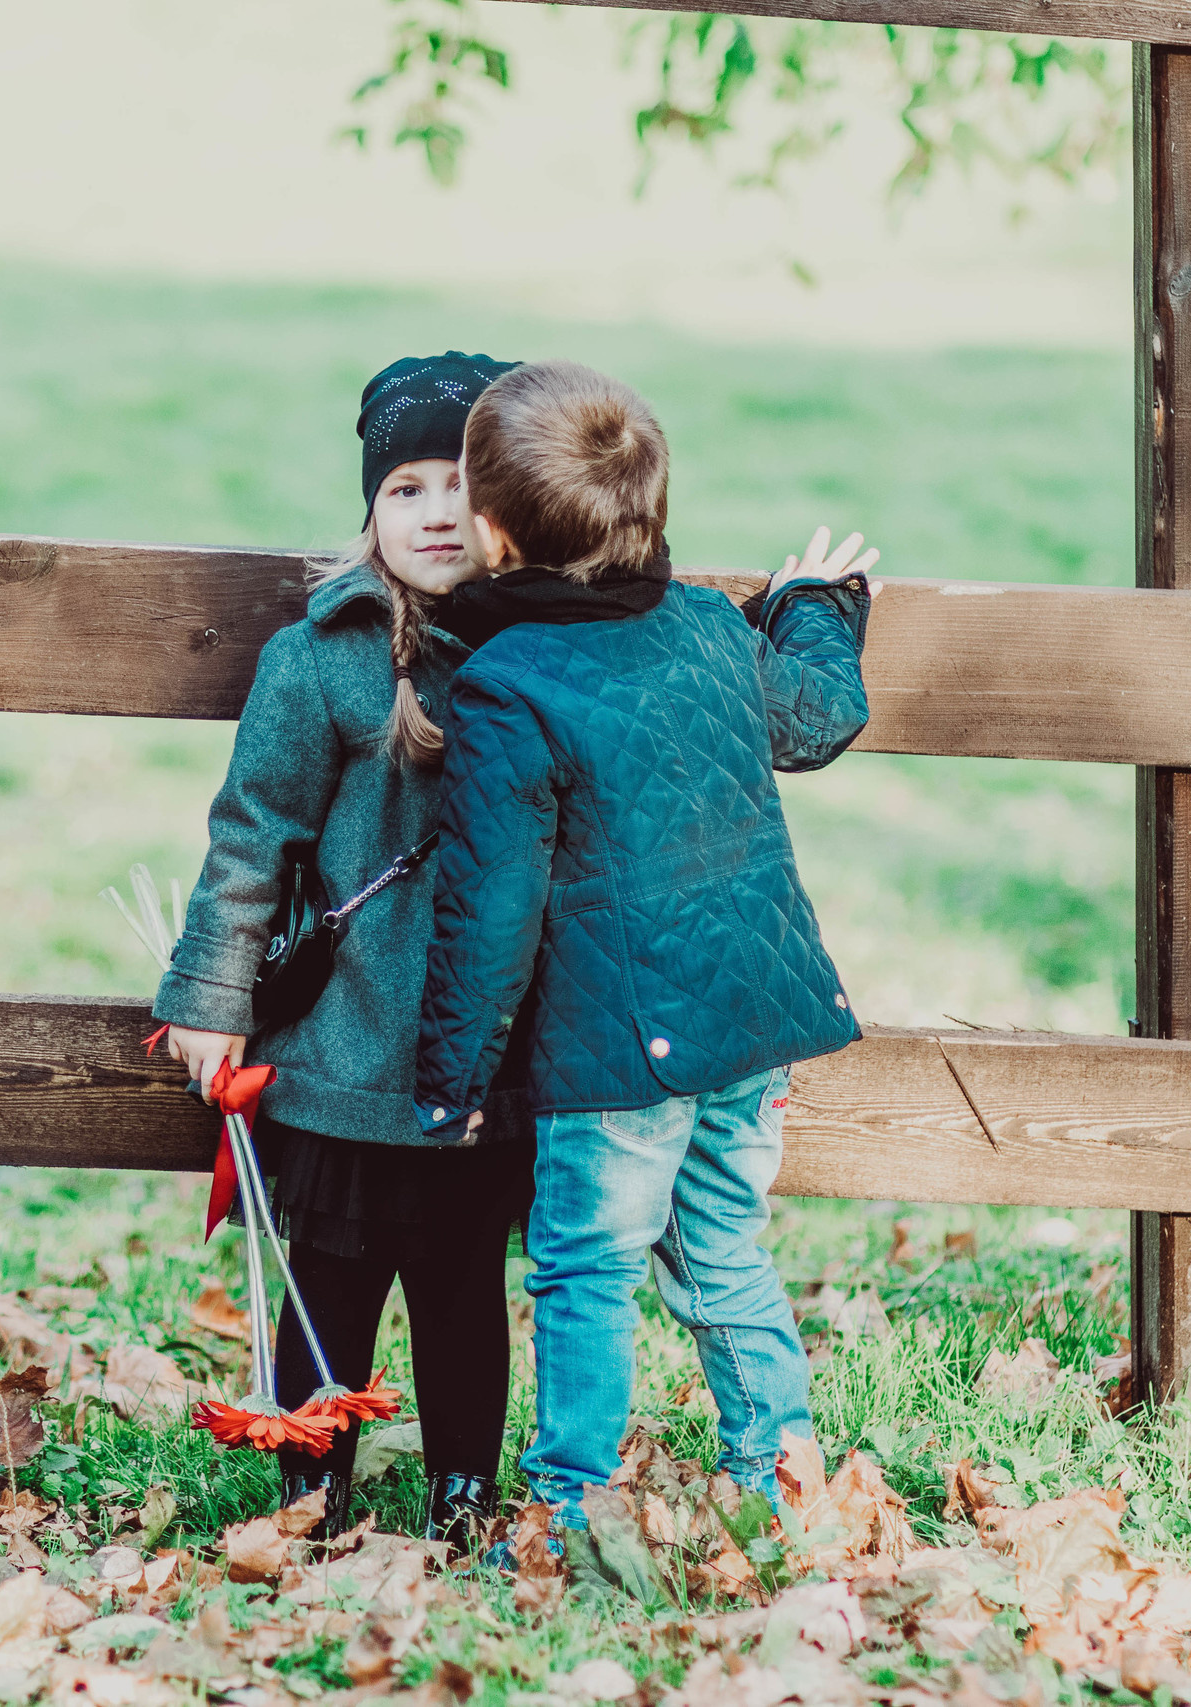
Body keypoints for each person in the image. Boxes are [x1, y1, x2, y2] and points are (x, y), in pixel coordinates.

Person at [412, 360, 875, 1533]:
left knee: (587, 1268)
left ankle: (568, 1507)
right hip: (750, 1022)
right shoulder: (711, 626)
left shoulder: (506, 685)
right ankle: (780, 1474)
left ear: (494, 532)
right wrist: (811, 606)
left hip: (618, 1046)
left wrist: (453, 1079)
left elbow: (488, 906)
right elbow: (820, 714)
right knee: (722, 1248)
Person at [154, 352, 534, 1549]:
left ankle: (463, 1494)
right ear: (370, 508)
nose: (434, 512)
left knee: (464, 1294)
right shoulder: (319, 659)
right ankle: (308, 1494)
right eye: (404, 488)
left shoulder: (547, 650)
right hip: (340, 1053)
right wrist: (211, 992)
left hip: (481, 1067)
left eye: (461, 485)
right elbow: (251, 839)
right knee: (328, 1290)